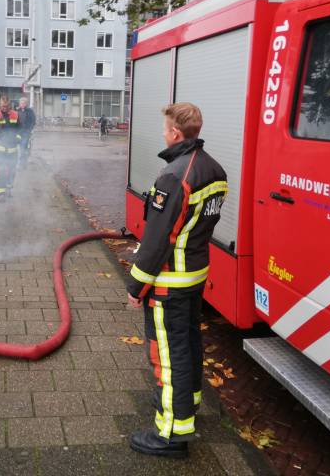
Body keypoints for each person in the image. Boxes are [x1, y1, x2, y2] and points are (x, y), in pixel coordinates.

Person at [126, 102, 227, 459]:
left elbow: (157, 240)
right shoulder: (215, 170)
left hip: (169, 281)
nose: (163, 133)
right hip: (195, 276)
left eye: (165, 128)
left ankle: (170, 433)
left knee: (167, 356)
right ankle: (188, 402)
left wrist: (136, 286)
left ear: (175, 133)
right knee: (188, 345)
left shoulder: (173, 176)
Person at [0, 95, 21, 202]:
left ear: (9, 104)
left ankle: (9, 189)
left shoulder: (15, 115)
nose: (4, 108)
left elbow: (20, 129)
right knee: (1, 170)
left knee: (11, 171)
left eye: (6, 106)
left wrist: (18, 138)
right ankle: (1, 193)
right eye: (3, 106)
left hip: (12, 149)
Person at [17, 97, 36, 168]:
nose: (22, 104)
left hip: (26, 133)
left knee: (22, 148)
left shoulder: (30, 111)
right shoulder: (17, 111)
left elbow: (33, 121)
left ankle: (21, 164)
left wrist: (29, 130)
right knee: (20, 148)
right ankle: (23, 162)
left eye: (23, 103)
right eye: (21, 103)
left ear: (26, 104)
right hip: (18, 133)